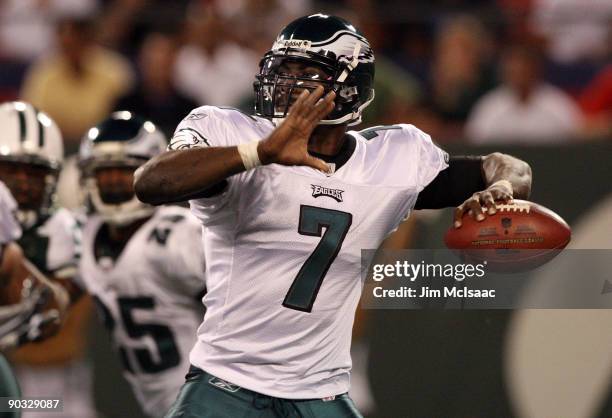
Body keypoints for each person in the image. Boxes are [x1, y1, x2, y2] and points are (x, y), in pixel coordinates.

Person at [134, 14, 532, 417]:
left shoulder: (392, 158)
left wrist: (501, 189)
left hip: (321, 392)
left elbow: (508, 167)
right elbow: (151, 182)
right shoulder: (231, 131)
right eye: (282, 69)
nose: (287, 85)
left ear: (349, 89)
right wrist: (259, 153)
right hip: (226, 384)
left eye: (306, 73)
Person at [72, 112, 206, 417]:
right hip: (158, 403)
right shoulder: (84, 234)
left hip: (208, 396)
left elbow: (235, 312)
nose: (113, 181)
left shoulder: (179, 233)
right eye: (104, 171)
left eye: (126, 170)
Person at [0, 101, 95, 418]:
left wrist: (11, 260)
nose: (23, 183)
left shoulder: (63, 231)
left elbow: (52, 321)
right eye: (11, 170)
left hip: (47, 394)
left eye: (35, 172)